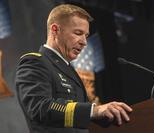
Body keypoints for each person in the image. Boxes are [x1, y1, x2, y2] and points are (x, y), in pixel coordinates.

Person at [15, 4, 132, 133]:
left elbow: (82, 118)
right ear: (55, 30)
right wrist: (94, 110)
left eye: (86, 36)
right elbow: (40, 108)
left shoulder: (69, 70)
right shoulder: (35, 62)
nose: (84, 42)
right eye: (78, 33)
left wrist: (113, 113)